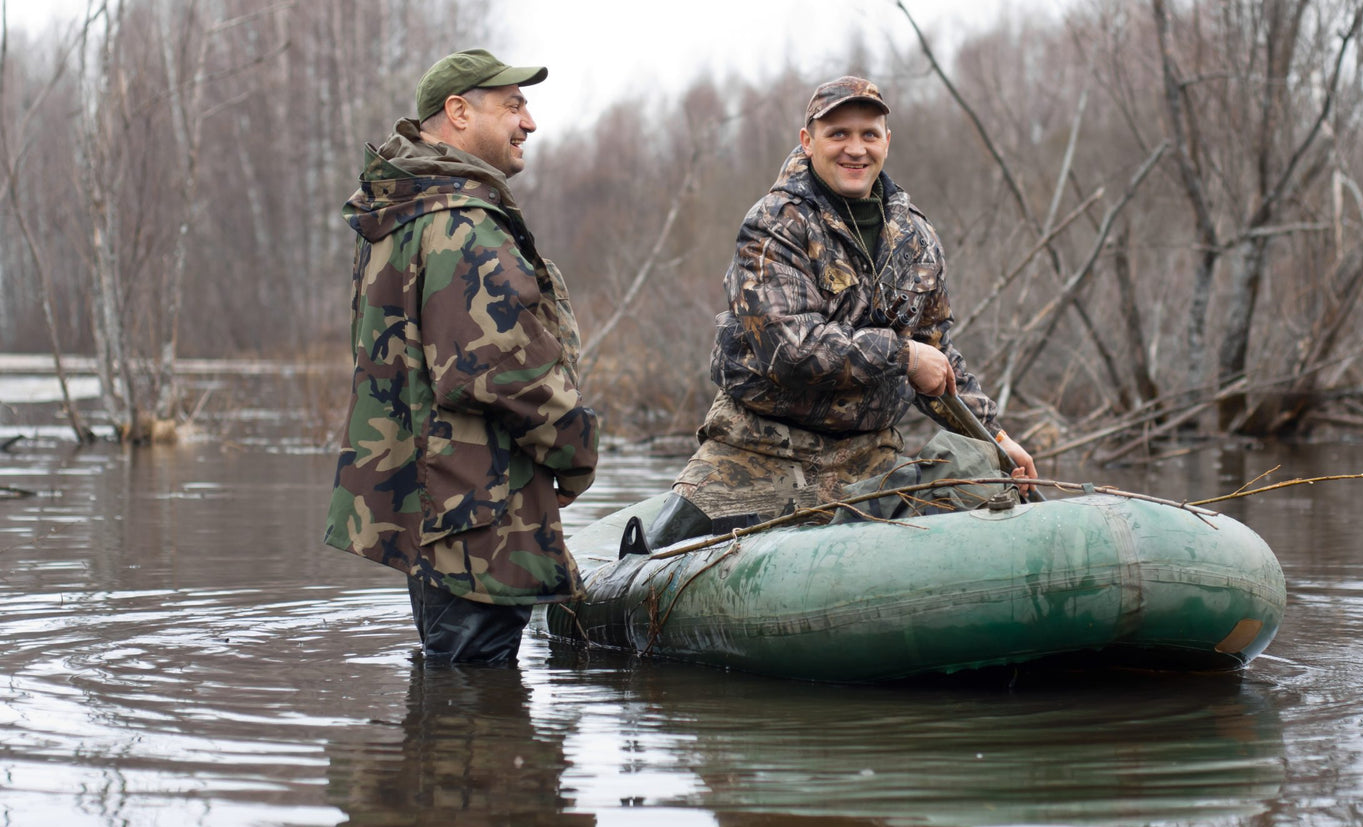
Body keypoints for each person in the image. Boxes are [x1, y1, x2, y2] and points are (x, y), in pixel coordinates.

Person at [661, 75, 1035, 539]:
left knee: (984, 486)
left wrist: (996, 437)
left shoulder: (917, 238)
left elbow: (937, 355)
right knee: (661, 553)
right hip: (759, 452)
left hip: (868, 457)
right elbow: (792, 350)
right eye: (838, 134)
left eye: (868, 135)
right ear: (808, 140)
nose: (855, 149)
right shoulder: (772, 226)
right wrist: (904, 356)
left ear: (886, 143)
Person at [325, 48, 599, 665]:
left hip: (431, 504)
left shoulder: (399, 212)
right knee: (477, 712)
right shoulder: (462, 223)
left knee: (449, 688)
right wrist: (577, 451)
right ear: (457, 112)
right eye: (514, 106)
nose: (528, 122)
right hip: (478, 513)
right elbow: (505, 372)